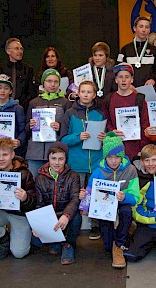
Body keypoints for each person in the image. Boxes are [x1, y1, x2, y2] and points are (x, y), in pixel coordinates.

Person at [82, 132, 140, 268]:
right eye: (109, 157)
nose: (113, 161)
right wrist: (84, 207)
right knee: (107, 246)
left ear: (122, 157)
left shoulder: (131, 170)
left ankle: (119, 244)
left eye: (117, 157)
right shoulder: (98, 172)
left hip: (123, 203)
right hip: (105, 205)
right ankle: (113, 242)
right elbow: (89, 191)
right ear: (105, 157)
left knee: (126, 212)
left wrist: (125, 197)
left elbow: (136, 197)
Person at [60, 80, 107, 240]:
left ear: (94, 95)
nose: (86, 94)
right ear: (78, 93)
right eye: (83, 91)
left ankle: (95, 226)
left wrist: (105, 137)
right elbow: (62, 139)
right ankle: (74, 225)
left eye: (89, 92)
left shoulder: (101, 113)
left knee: (96, 194)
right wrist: (77, 137)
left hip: (96, 162)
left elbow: (109, 136)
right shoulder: (70, 113)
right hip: (76, 163)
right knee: (75, 196)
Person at [0, 138, 36, 261]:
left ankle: (24, 238)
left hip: (19, 215)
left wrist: (25, 198)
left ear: (12, 155)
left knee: (19, 253)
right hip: (1, 212)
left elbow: (33, 203)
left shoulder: (25, 174)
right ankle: (4, 241)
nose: (1, 158)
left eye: (5, 155)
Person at [31, 141, 81, 265]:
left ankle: (68, 245)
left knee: (76, 218)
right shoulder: (39, 178)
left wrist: (66, 215)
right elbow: (39, 204)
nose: (57, 162)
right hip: (50, 216)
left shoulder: (73, 176)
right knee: (35, 241)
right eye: (53, 158)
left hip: (65, 215)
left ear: (66, 159)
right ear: (48, 158)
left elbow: (75, 199)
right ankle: (55, 242)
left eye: (61, 159)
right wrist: (38, 224)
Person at [25, 68, 72, 178]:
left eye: (56, 82)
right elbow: (25, 128)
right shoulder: (34, 102)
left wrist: (60, 127)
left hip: (56, 152)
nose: (52, 84)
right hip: (35, 152)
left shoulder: (65, 103)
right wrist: (30, 125)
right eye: (49, 81)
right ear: (43, 83)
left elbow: (69, 128)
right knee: (33, 183)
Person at [104, 63, 150, 161]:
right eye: (120, 77)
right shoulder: (109, 99)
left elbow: (145, 124)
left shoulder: (140, 99)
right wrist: (112, 131)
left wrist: (142, 148)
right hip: (115, 148)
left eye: (127, 77)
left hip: (136, 149)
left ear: (132, 79)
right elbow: (107, 121)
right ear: (116, 80)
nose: (123, 80)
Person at [0, 38, 36, 112]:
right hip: (1, 109)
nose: (20, 51)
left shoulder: (28, 69)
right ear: (8, 51)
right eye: (16, 49)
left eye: (21, 49)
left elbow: (31, 92)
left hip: (22, 109)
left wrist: (20, 106)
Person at [116, 16, 156, 87]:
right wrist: (127, 83)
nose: (144, 30)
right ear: (134, 28)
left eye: (147, 27)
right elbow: (119, 70)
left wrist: (153, 79)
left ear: (149, 30)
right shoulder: (125, 49)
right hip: (130, 89)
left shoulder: (154, 50)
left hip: (148, 89)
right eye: (141, 26)